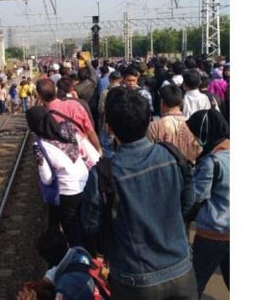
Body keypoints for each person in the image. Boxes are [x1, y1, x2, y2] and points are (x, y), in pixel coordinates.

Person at [81, 87, 197, 300]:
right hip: (181, 268)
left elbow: (91, 225)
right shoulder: (171, 155)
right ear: (148, 121)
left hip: (134, 278)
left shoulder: (102, 174)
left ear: (109, 127)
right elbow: (189, 202)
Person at [27, 106, 89, 248]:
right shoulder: (67, 127)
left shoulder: (39, 146)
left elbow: (47, 178)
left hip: (68, 191)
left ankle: (79, 260)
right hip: (85, 180)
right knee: (85, 221)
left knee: (71, 229)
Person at [185, 109, 230, 298]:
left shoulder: (212, 162)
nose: (195, 139)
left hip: (212, 232)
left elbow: (196, 197)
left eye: (196, 134)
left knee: (194, 283)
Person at [37, 78, 102, 158]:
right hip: (84, 152)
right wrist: (98, 150)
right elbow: (90, 131)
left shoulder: (44, 117)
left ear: (40, 96)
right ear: (56, 90)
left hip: (65, 159)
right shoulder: (75, 104)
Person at [147, 84, 202, 163]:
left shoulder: (153, 126)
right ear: (181, 102)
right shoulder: (192, 124)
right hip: (190, 171)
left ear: (162, 103)